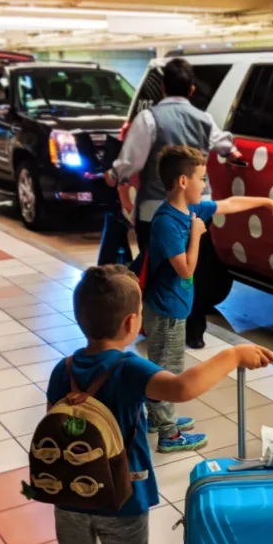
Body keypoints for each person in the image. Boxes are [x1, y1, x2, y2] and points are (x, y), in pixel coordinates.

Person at [47, 263, 273, 544]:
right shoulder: (128, 368)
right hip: (123, 502)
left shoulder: (64, 368)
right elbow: (182, 388)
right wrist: (232, 355)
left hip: (70, 494)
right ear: (133, 323)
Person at [143, 144, 273, 454]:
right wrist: (197, 234)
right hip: (166, 309)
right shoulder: (168, 222)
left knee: (165, 366)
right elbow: (185, 270)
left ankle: (157, 419)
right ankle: (168, 434)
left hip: (174, 307)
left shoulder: (190, 210)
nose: (204, 184)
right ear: (183, 182)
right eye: (201, 178)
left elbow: (229, 203)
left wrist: (264, 201)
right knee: (167, 371)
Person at [102, 57, 240, 347]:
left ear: (162, 87)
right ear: (191, 89)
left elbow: (131, 162)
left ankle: (158, 330)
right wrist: (234, 154)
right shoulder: (204, 119)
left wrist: (114, 175)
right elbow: (225, 145)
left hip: (156, 211)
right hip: (197, 211)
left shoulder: (149, 118)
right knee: (194, 271)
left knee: (156, 272)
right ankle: (194, 333)